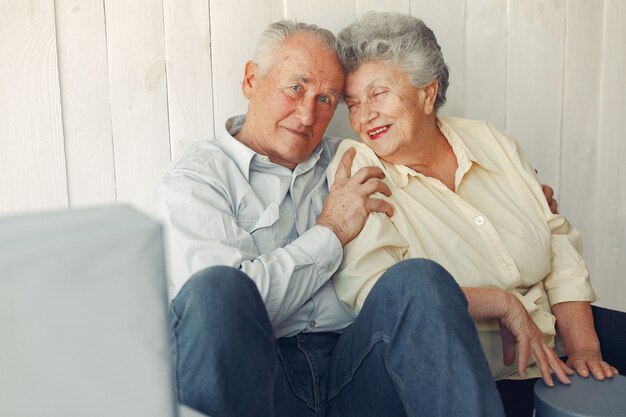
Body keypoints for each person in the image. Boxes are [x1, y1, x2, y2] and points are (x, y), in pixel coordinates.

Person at [159, 20, 508, 417]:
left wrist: (518, 193)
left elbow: (436, 183)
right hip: (263, 381)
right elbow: (231, 314)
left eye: (327, 99)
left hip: (355, 367)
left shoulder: (353, 160)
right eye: (296, 88)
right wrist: (331, 232)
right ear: (251, 80)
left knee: (418, 280)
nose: (308, 114)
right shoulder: (197, 178)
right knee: (218, 289)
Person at [327, 11, 625, 417]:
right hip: (458, 367)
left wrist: (585, 349)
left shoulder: (489, 140)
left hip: (549, 336)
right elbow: (384, 297)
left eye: (378, 94)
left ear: (427, 93)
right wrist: (499, 303)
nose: (363, 117)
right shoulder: (356, 169)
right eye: (354, 103)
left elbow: (557, 244)